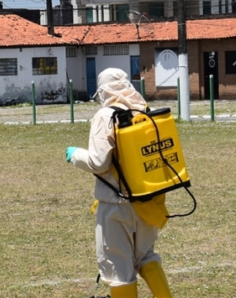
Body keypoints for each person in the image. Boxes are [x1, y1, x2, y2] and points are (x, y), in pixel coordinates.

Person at [65, 68, 173, 298]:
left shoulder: (106, 115)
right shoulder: (145, 110)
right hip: (147, 199)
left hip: (115, 204)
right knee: (145, 256)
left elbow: (98, 162)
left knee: (118, 266)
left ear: (103, 91)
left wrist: (75, 155)